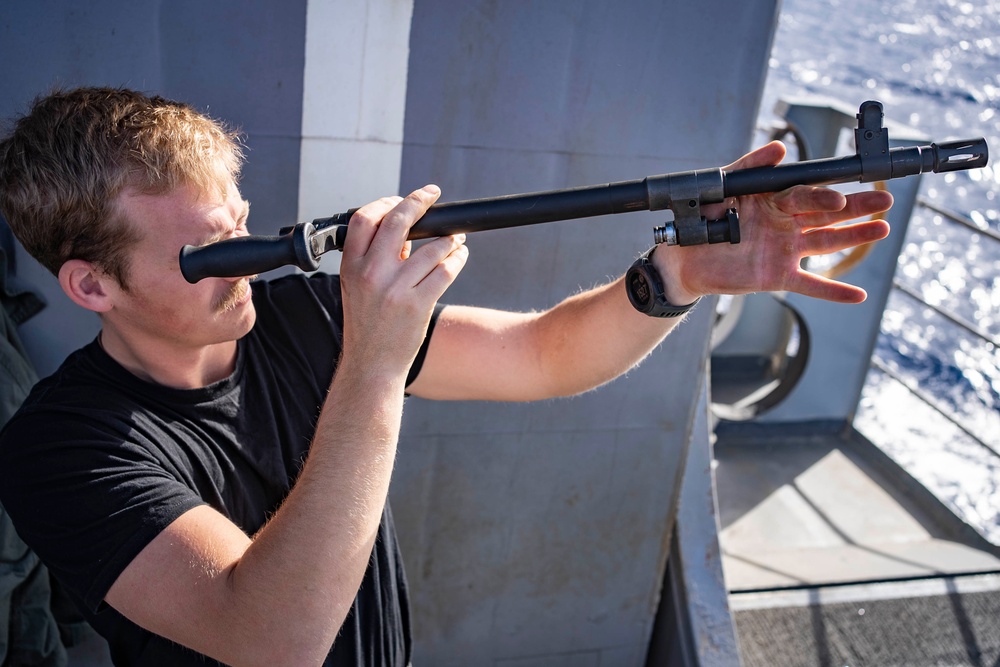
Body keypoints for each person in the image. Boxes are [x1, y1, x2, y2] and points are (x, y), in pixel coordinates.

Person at [0, 87, 892, 666]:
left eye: (241, 223)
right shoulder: (59, 447)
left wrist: (678, 278)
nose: (248, 261)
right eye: (208, 250)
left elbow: (546, 354)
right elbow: (270, 638)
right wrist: (377, 361)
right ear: (91, 284)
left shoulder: (305, 318)